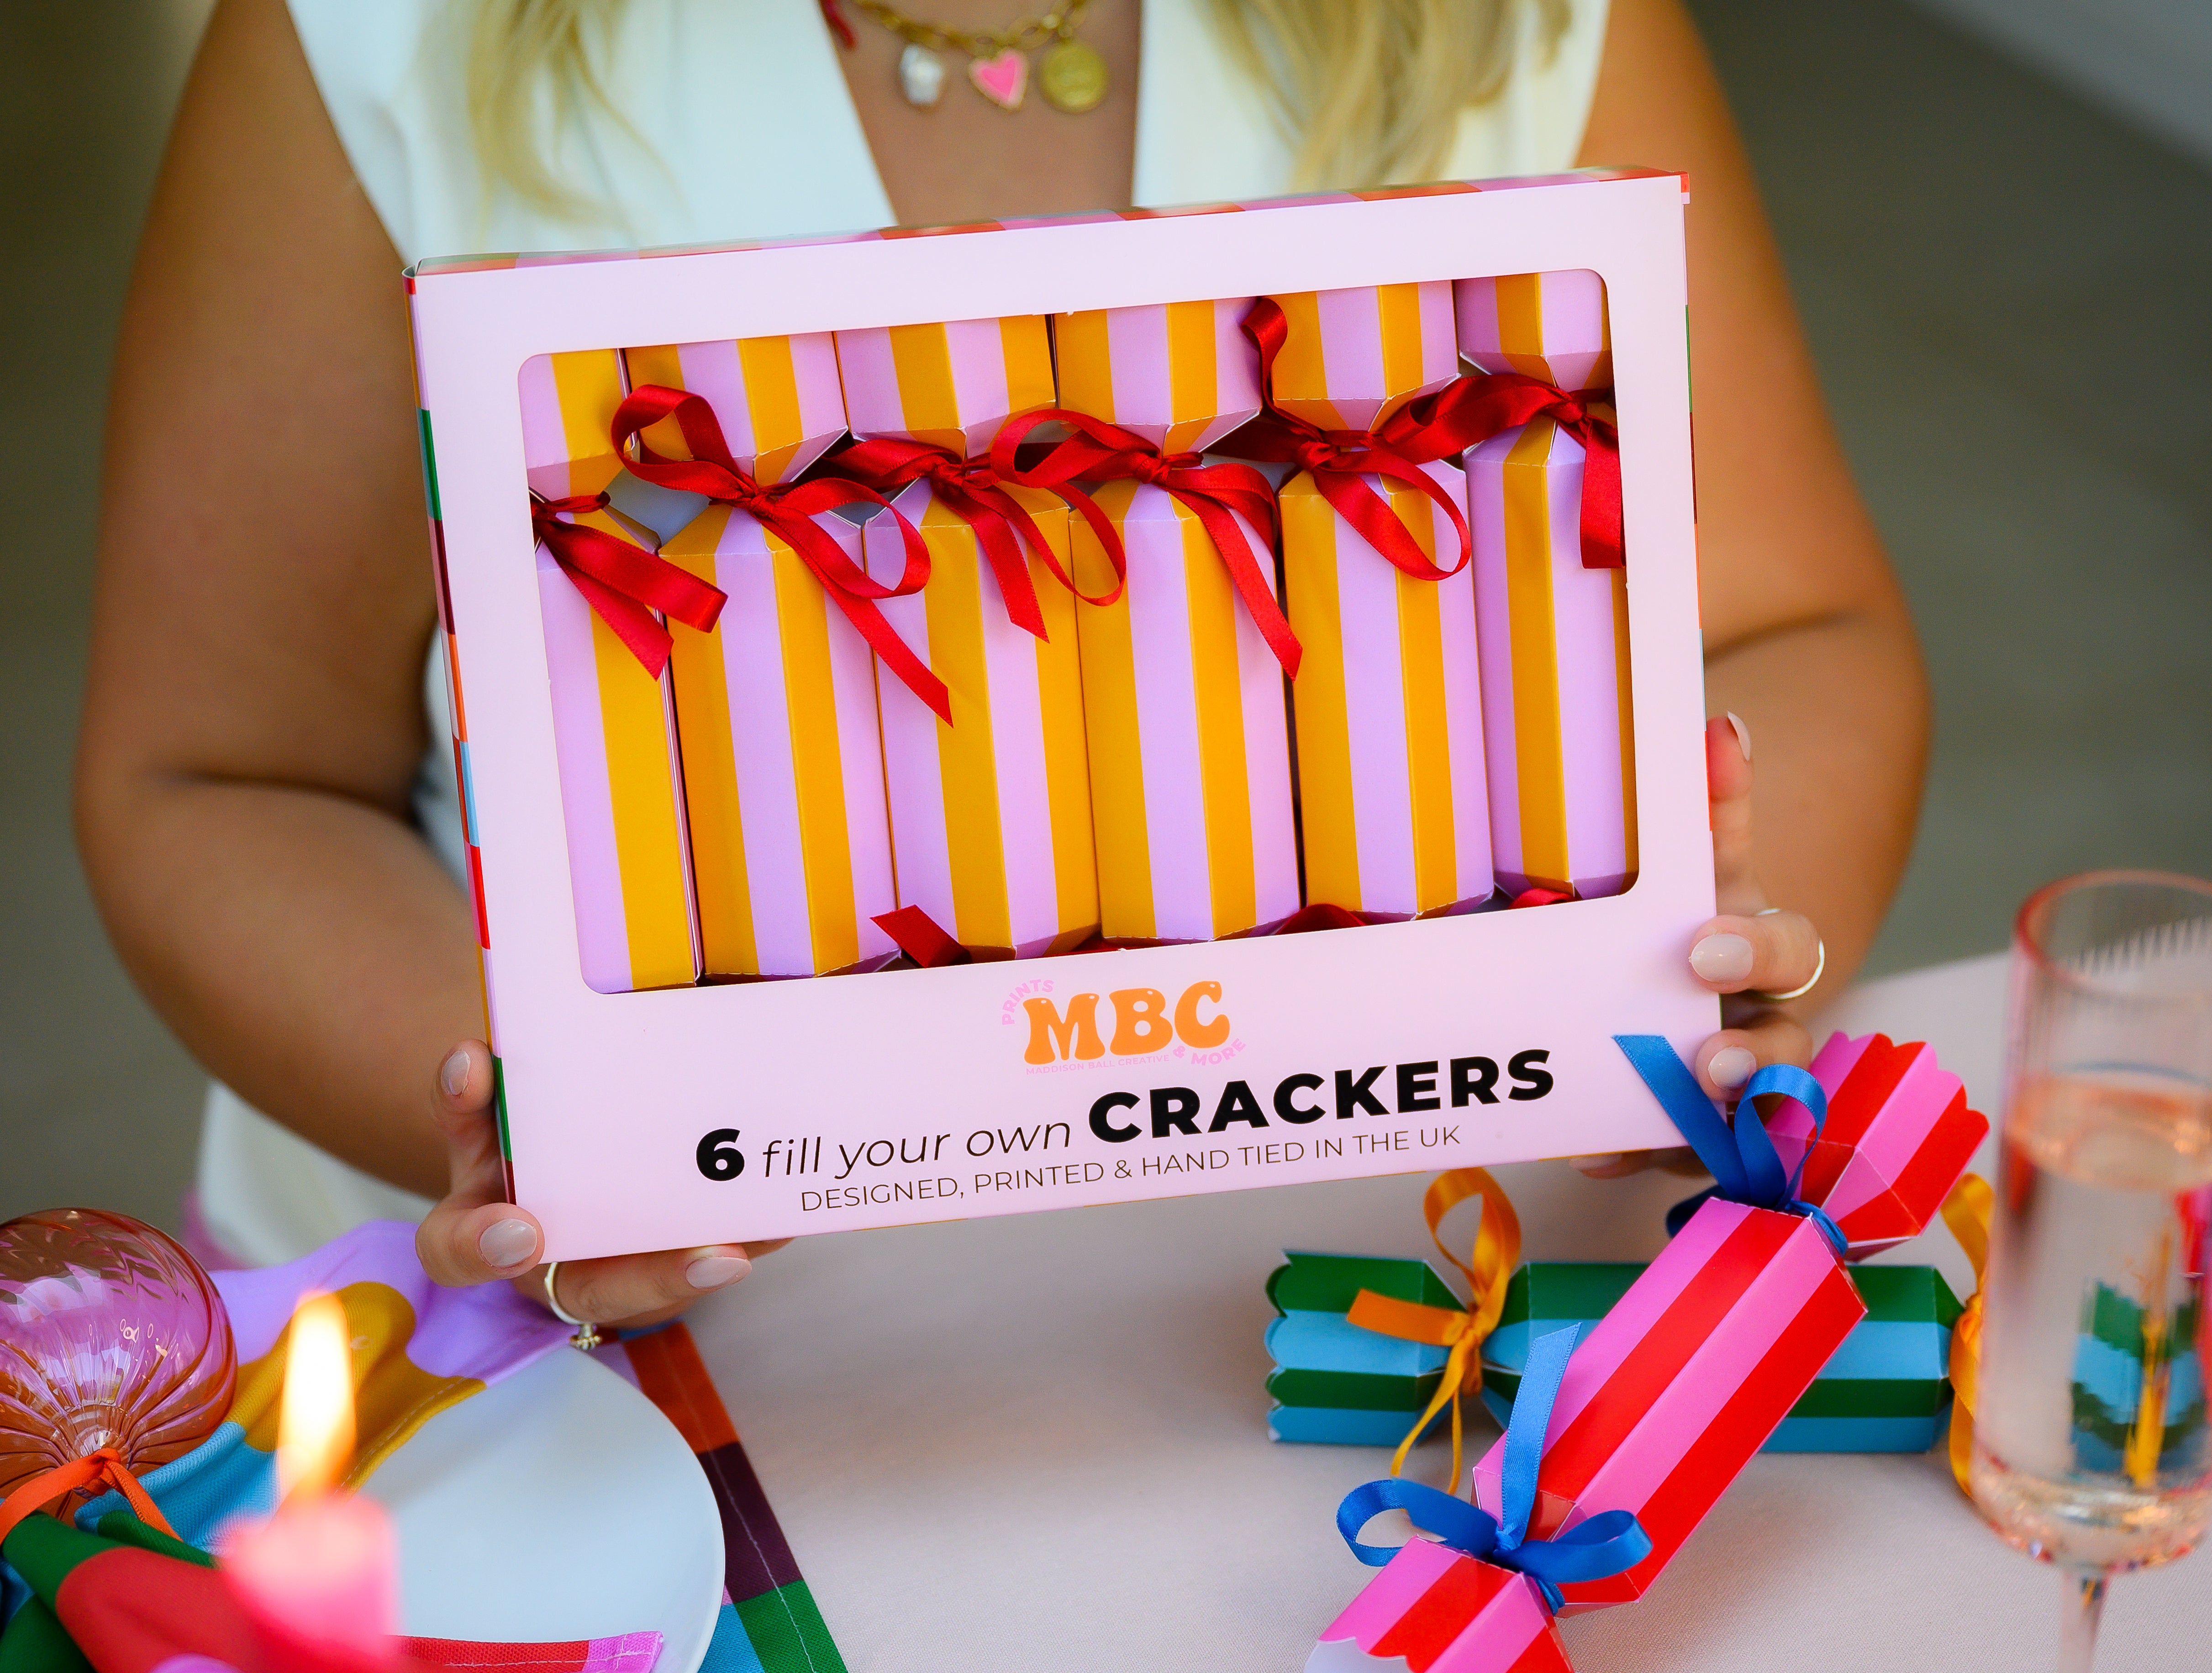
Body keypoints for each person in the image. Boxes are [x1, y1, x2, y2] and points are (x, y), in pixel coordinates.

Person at [77, 0, 1925, 1329]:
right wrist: (530, 1116)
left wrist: (1705, 980)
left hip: (1344, 1291)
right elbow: (219, 775)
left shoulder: (1506, 26)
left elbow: (1797, 629)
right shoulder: (385, 35)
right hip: (584, 1362)